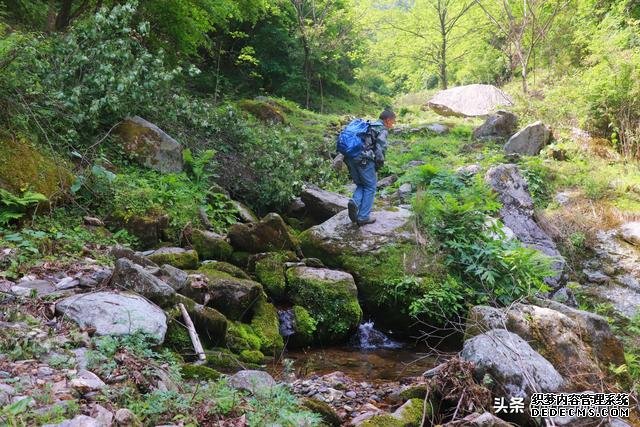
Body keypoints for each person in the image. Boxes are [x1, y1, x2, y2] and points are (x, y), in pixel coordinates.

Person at [345, 109, 396, 226]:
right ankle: (363, 217)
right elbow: (380, 148)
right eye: (393, 122)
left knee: (361, 185)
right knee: (370, 187)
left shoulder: (368, 125)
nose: (393, 124)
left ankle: (354, 202)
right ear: (387, 120)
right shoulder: (382, 129)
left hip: (350, 157)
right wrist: (379, 165)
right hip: (364, 160)